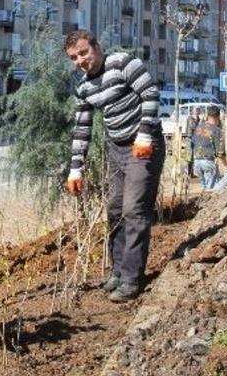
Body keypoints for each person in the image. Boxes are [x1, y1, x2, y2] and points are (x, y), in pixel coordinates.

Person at [63, 30, 165, 303]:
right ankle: (118, 271)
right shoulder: (84, 87)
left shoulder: (122, 63)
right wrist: (76, 168)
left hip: (143, 145)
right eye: (74, 57)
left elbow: (151, 94)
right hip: (117, 148)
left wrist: (144, 134)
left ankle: (132, 279)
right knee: (116, 209)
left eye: (84, 52)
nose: (81, 60)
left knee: (134, 210)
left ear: (97, 47)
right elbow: (82, 129)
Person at [191, 106, 227, 190]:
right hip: (208, 162)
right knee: (211, 191)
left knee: (205, 189)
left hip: (197, 162)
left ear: (207, 116)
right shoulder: (216, 130)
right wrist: (226, 166)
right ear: (218, 117)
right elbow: (220, 152)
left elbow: (192, 143)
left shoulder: (198, 127)